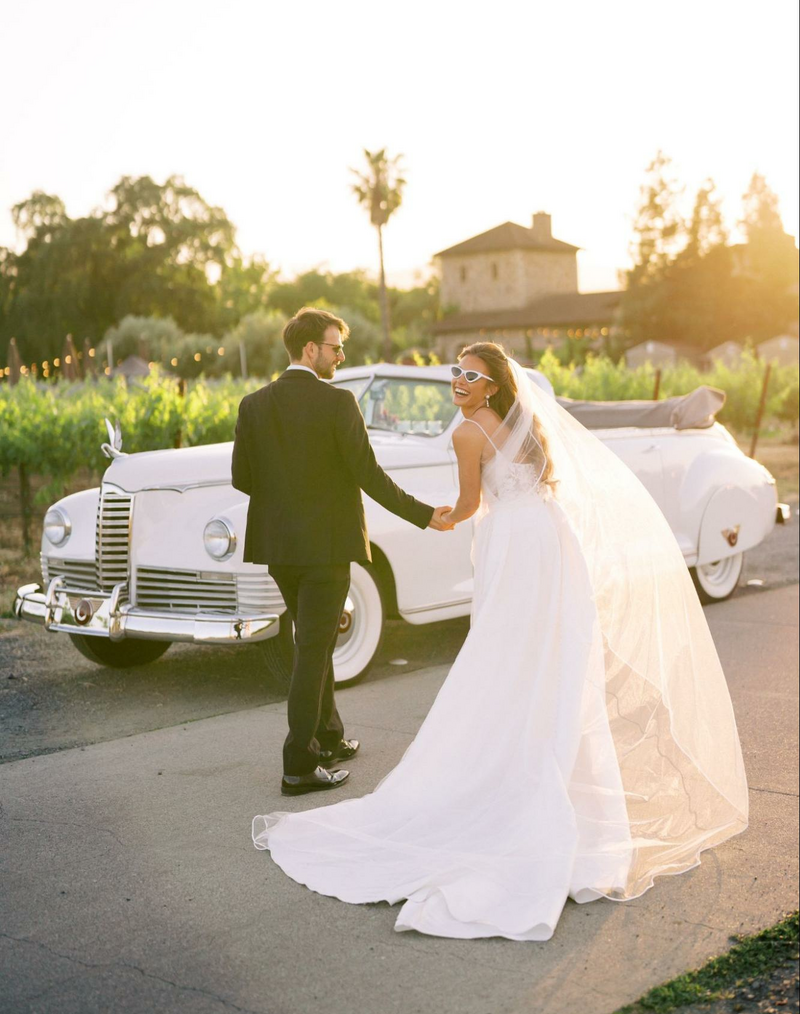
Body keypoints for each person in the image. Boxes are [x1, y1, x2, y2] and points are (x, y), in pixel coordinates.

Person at [251, 341, 749, 940]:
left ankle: (508, 772)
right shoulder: (529, 425)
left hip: (512, 545)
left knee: (502, 658)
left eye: (471, 376)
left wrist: (442, 518)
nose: (458, 381)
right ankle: (555, 768)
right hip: (548, 539)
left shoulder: (467, 437)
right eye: (456, 373)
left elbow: (468, 505)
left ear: (491, 385)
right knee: (551, 658)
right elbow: (541, 487)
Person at [231, 307, 453, 797]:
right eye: (335, 347)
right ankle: (298, 764)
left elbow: (241, 479)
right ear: (310, 349)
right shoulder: (338, 403)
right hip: (326, 549)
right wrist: (423, 513)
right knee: (313, 651)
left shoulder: (252, 405)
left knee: (314, 640)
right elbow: (368, 476)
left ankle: (327, 737)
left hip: (278, 549)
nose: (341, 355)